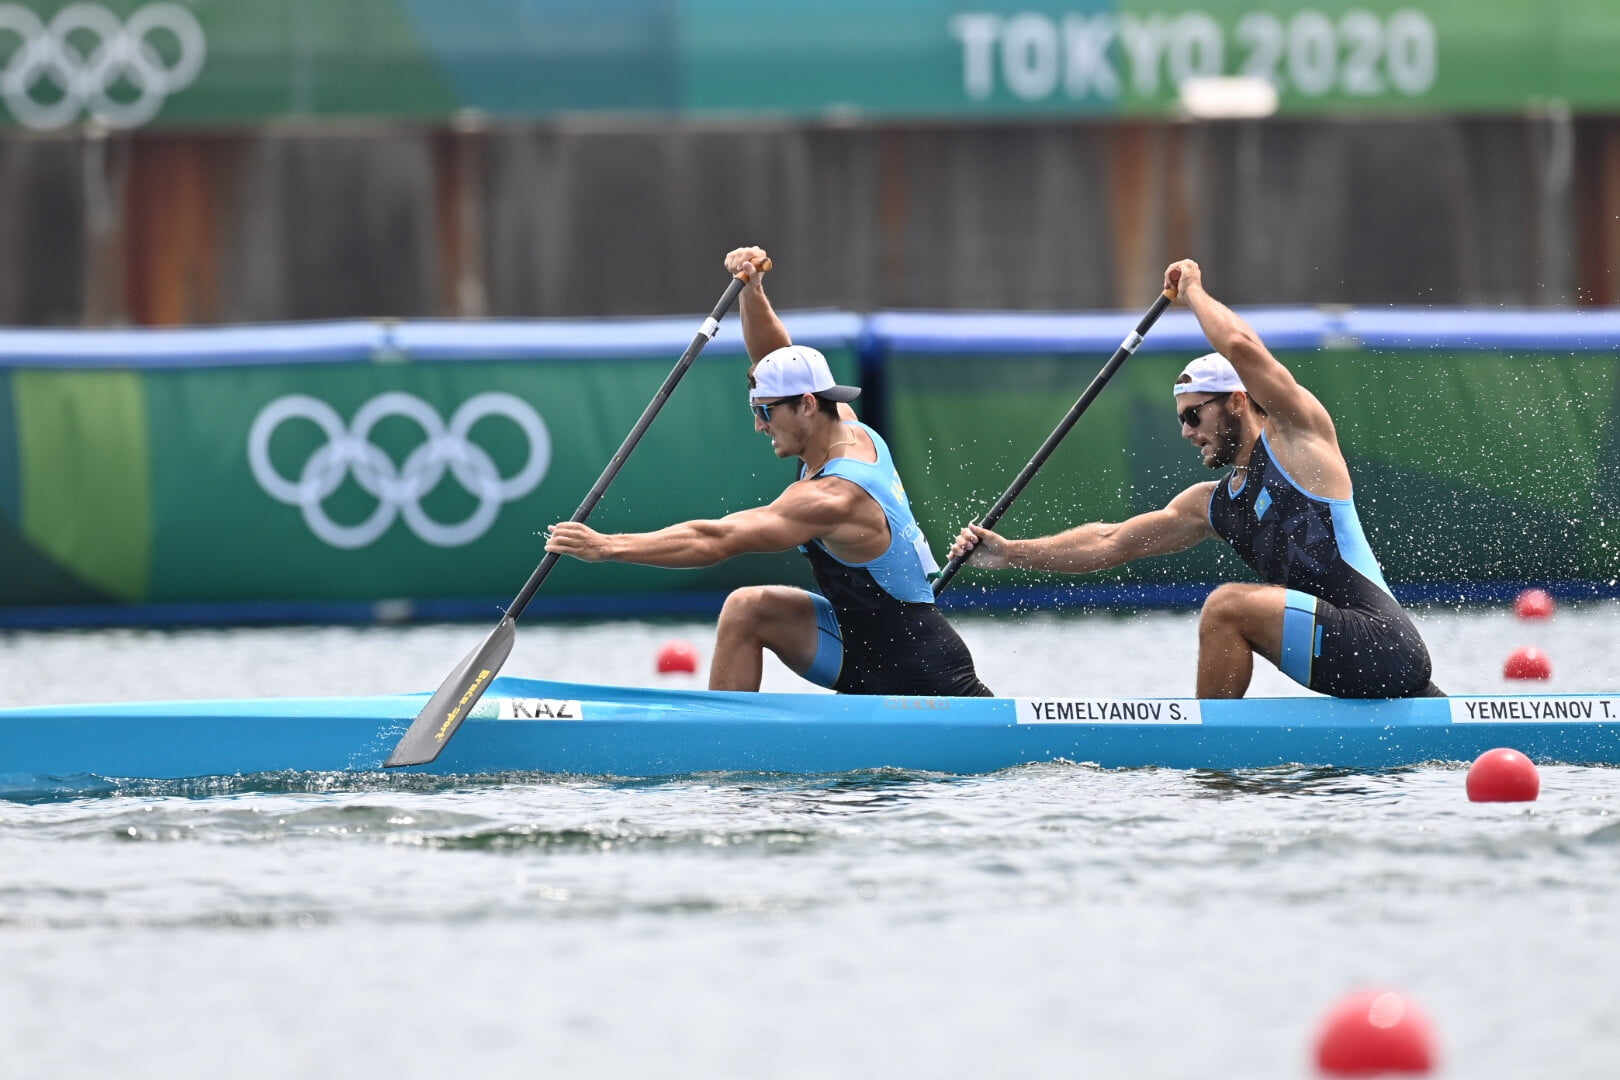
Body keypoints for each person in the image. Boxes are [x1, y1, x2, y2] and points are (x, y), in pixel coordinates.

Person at [949, 259, 1440, 700]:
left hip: (1382, 642)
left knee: (1226, 607)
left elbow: (1241, 346)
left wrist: (1194, 293)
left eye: (1194, 416)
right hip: (1354, 658)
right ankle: (1216, 755)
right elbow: (1112, 542)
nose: (1186, 432)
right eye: (1181, 420)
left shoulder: (1298, 442)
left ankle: (1209, 761)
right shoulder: (1211, 504)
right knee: (1228, 605)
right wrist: (1011, 553)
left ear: (1238, 402)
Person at [546, 246, 992, 697]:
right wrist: (752, 290)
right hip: (860, 646)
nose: (759, 426)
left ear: (807, 405)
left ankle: (716, 741)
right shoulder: (843, 428)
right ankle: (722, 748)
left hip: (919, 676)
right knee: (747, 609)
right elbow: (778, 358)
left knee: (746, 601)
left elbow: (716, 538)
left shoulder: (833, 497)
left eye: (764, 412)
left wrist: (608, 546)